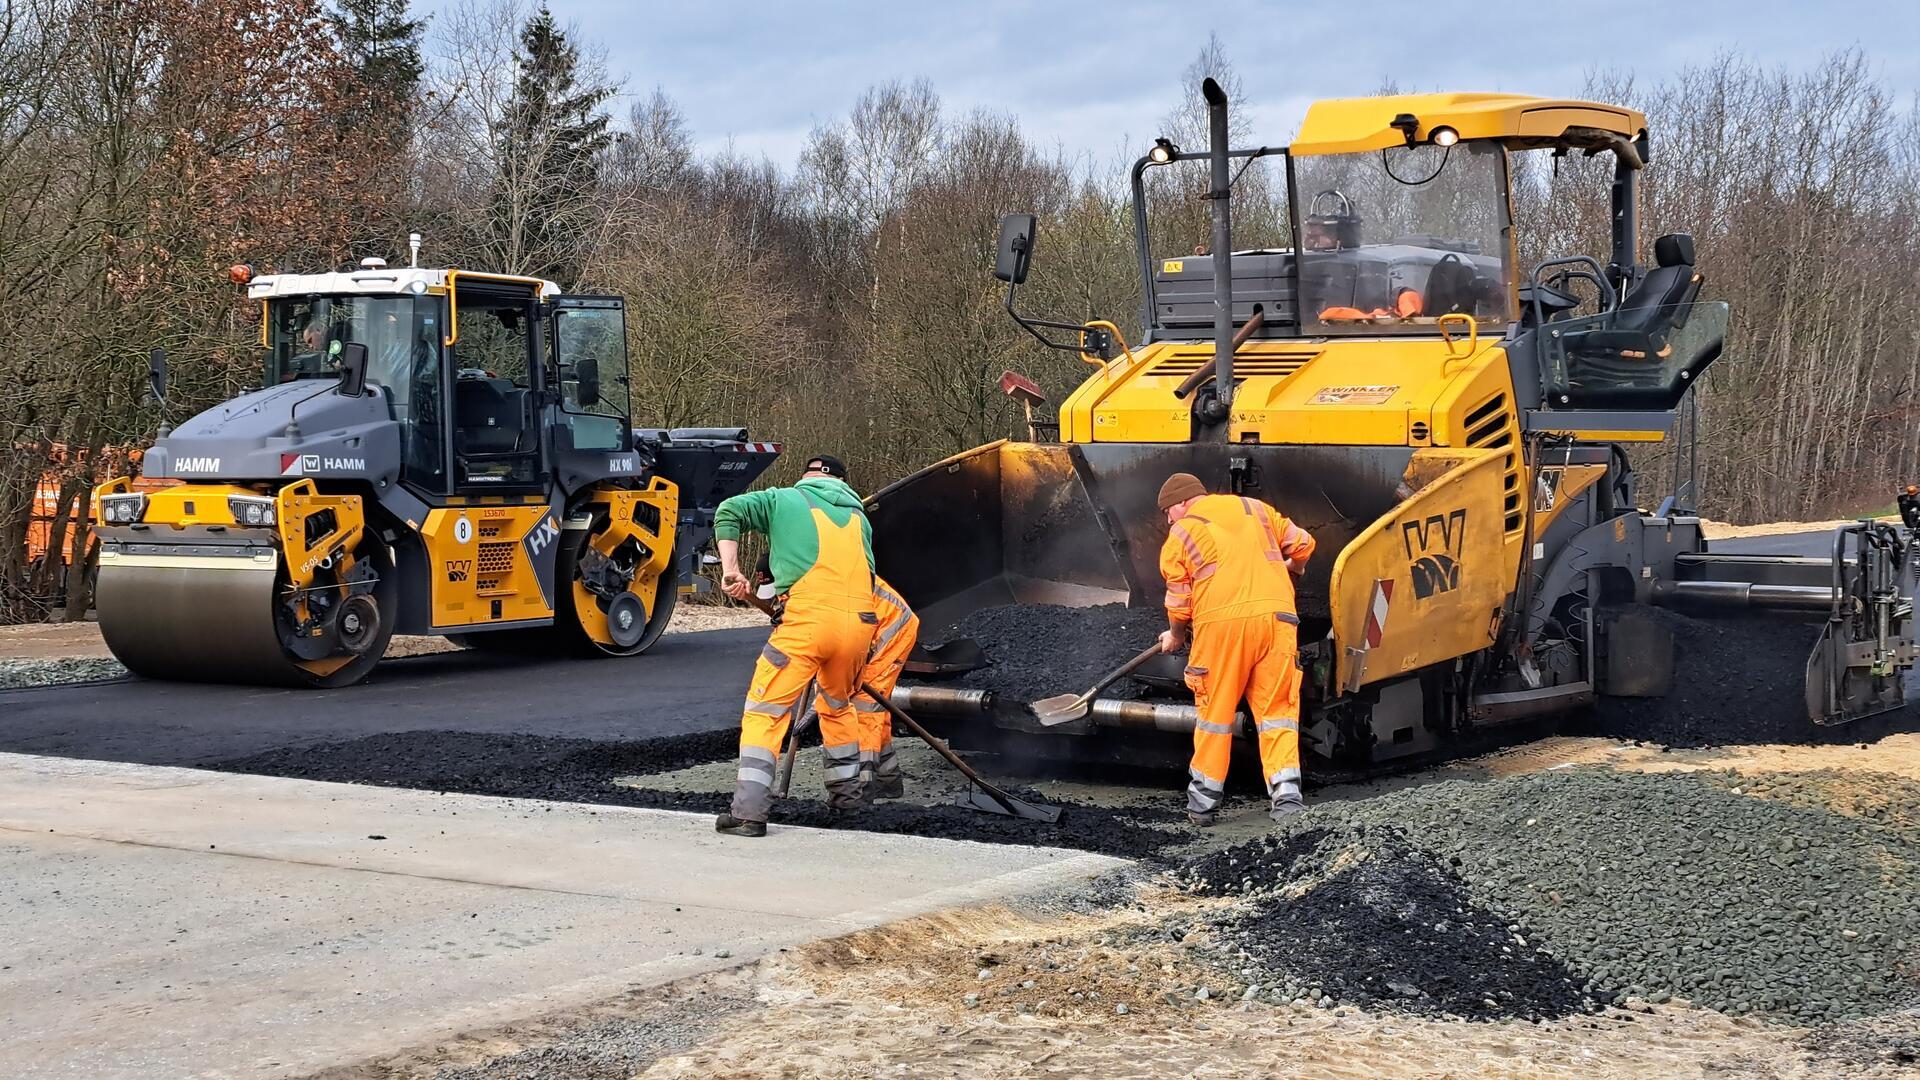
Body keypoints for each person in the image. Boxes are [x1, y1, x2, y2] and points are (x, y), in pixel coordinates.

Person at [712, 453, 878, 837]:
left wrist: (731, 570)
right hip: (859, 626)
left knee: (765, 711)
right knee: (838, 707)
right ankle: (847, 801)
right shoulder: (860, 520)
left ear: (806, 478)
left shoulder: (782, 498)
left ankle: (749, 813)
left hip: (807, 622)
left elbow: (728, 511)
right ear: (843, 483)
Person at [1155, 472, 1316, 826]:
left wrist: (1176, 635)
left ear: (1182, 502)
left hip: (1221, 630)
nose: (1167, 519)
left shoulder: (1180, 534)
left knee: (1216, 714)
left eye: (1168, 510)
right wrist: (1294, 569)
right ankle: (1287, 799)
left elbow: (1180, 603)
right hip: (1278, 622)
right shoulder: (1255, 508)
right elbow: (1303, 544)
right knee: (1278, 711)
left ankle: (1202, 804)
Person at [858, 576, 919, 800]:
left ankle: (863, 785)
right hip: (873, 631)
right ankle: (889, 780)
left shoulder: (823, 583)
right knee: (875, 707)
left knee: (866, 705)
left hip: (893, 630)